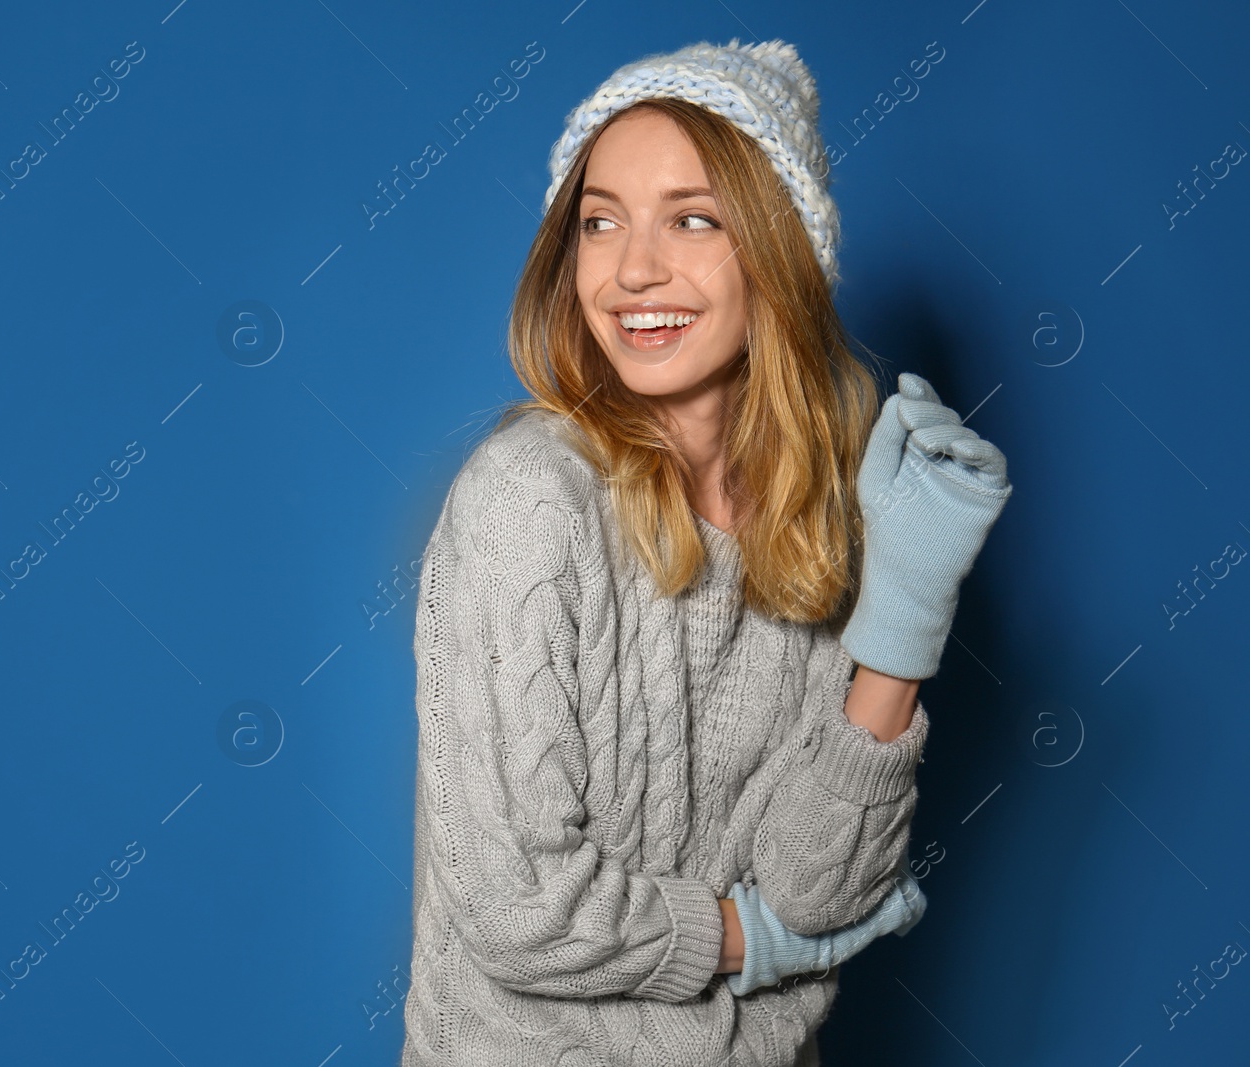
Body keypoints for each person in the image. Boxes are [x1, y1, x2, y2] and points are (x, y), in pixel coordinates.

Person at [400, 38, 1012, 1067]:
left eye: (693, 218)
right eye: (600, 222)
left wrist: (908, 602)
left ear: (778, 251)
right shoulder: (526, 501)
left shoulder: (824, 518)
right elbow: (519, 905)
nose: (634, 268)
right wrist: (746, 937)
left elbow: (819, 888)